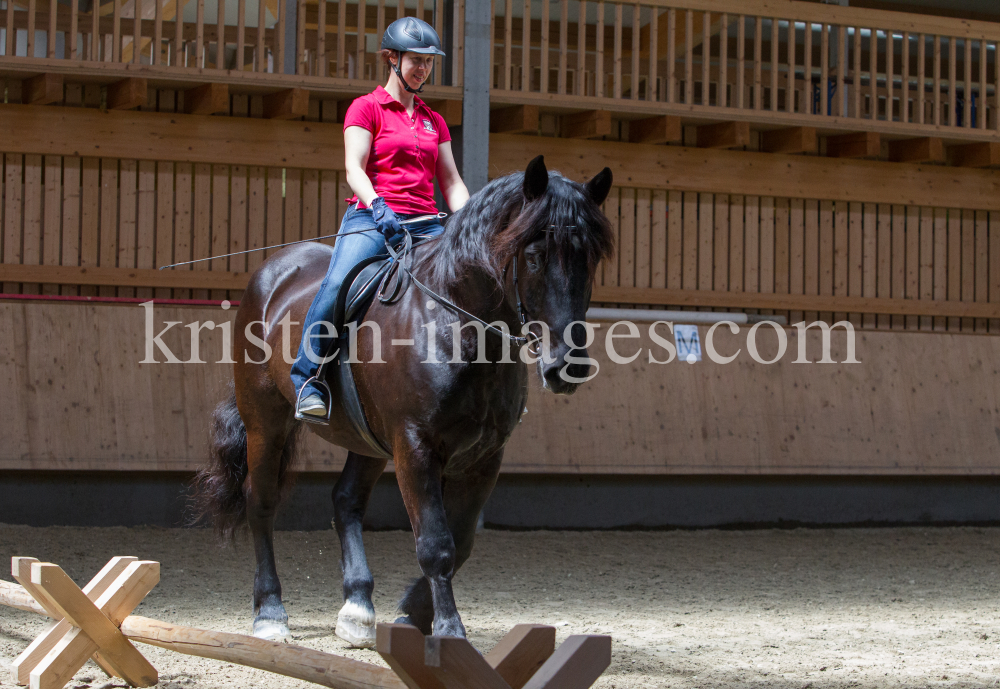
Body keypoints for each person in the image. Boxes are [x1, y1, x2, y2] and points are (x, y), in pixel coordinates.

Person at [291, 16, 470, 423]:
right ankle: (308, 377)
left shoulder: (433, 120)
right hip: (373, 218)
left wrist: (470, 220)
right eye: (415, 60)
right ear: (392, 59)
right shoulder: (366, 108)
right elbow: (355, 168)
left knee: (469, 279)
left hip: (426, 223)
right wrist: (377, 206)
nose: (422, 69)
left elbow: (452, 181)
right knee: (338, 282)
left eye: (428, 62)